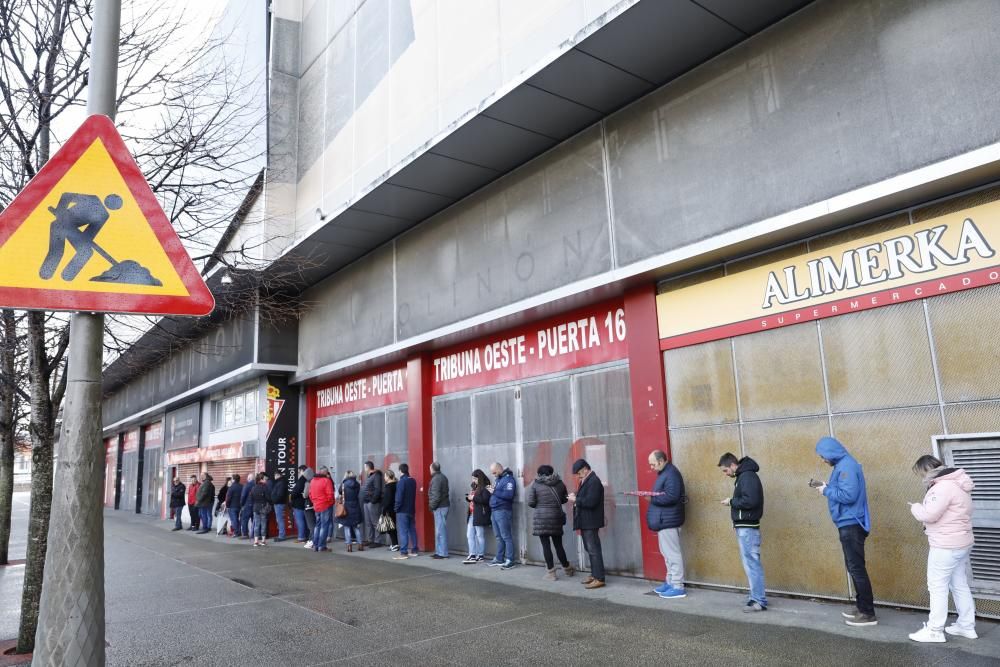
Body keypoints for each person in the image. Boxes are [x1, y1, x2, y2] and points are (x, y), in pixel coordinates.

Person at [907, 455, 977, 643]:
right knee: (959, 584)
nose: (921, 478)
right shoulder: (958, 483)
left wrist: (915, 507)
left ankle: (935, 631)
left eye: (920, 474)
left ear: (926, 469)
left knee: (937, 587)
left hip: (946, 545)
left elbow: (930, 515)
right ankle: (966, 626)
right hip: (962, 542)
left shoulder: (943, 486)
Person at [815, 437, 876, 627]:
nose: (823, 460)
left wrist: (826, 490)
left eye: (824, 456)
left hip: (850, 523)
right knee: (854, 567)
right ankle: (862, 607)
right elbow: (845, 491)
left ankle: (867, 613)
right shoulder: (844, 465)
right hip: (848, 522)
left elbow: (849, 496)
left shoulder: (846, 466)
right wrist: (829, 487)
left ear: (831, 452)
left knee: (856, 568)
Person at [719, 452, 766, 611]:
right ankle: (755, 597)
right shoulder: (744, 476)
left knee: (752, 563)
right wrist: (736, 522)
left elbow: (750, 501)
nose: (726, 474)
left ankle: (758, 600)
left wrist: (731, 502)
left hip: (748, 528)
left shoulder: (747, 477)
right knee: (751, 563)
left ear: (733, 465)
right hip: (745, 526)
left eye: (726, 470)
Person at [645, 450, 686, 599]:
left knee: (672, 554)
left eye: (653, 464)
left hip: (669, 520)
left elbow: (672, 497)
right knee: (667, 554)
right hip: (665, 520)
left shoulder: (671, 474)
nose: (651, 468)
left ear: (661, 461)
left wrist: (652, 499)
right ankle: (670, 581)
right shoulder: (666, 473)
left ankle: (677, 585)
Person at [526, 464, 574, 580]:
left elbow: (531, 502)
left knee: (546, 546)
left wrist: (541, 504)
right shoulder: (560, 483)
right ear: (551, 472)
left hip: (541, 519)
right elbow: (563, 499)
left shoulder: (535, 484)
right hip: (555, 517)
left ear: (539, 474)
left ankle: (551, 573)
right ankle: (567, 568)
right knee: (558, 545)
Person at [569, 459, 606, 590]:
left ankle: (599, 578)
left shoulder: (594, 481)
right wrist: (576, 495)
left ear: (585, 469)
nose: (578, 476)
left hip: (591, 521)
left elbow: (591, 502)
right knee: (590, 549)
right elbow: (585, 497)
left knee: (593, 550)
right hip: (586, 521)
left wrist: (576, 500)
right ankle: (594, 574)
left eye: (579, 473)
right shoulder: (586, 480)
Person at [487, 462, 517, 570]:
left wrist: (494, 491)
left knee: (506, 536)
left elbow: (509, 495)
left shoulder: (509, 479)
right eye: (492, 473)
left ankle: (510, 560)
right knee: (498, 537)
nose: (493, 474)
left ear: (500, 469)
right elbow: (497, 493)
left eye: (494, 472)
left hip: (503, 510)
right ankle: (499, 558)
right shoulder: (498, 479)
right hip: (494, 510)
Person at [463, 469, 491, 564]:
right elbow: (475, 499)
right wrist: (469, 498)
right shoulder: (474, 487)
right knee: (469, 535)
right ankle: (472, 554)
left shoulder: (485, 487)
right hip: (472, 514)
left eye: (475, 478)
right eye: (473, 478)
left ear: (480, 478)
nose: (474, 480)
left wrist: (473, 498)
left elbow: (485, 500)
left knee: (479, 535)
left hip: (479, 514)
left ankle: (480, 555)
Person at [394, 463, 418, 559]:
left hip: (402, 510)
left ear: (400, 471)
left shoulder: (401, 482)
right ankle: (414, 549)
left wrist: (396, 508)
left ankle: (404, 552)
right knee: (412, 529)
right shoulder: (413, 481)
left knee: (403, 531)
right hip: (411, 509)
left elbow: (399, 497)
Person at [428, 462, 450, 559]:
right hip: (442, 506)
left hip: (440, 507)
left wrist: (432, 506)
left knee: (440, 531)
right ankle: (439, 551)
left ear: (432, 469)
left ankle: (443, 553)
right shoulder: (442, 477)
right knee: (440, 530)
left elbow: (436, 496)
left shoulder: (436, 479)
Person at [339, 471, 365, 552]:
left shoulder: (344, 483)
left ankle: (349, 545)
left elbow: (340, 491)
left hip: (346, 506)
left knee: (347, 527)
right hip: (356, 505)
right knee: (356, 526)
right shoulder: (357, 484)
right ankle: (360, 544)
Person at [310, 467, 335, 552]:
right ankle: (321, 546)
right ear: (325, 472)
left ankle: (315, 545)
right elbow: (330, 494)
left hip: (316, 506)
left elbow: (310, 494)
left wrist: (314, 502)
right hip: (324, 505)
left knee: (317, 526)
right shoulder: (326, 481)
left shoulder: (313, 480)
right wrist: (330, 503)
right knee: (324, 527)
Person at [361, 461, 384, 548]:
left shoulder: (376, 475)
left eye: (365, 467)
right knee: (368, 522)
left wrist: (373, 500)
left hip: (372, 502)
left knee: (375, 522)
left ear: (368, 467)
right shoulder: (369, 476)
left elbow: (378, 489)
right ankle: (370, 539)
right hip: (366, 502)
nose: (364, 469)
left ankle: (378, 541)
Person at [250, 473, 271, 547]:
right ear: (261, 479)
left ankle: (255, 541)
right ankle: (263, 541)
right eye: (264, 479)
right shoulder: (265, 487)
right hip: (263, 507)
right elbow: (268, 498)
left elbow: (251, 498)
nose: (266, 480)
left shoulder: (253, 488)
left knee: (256, 524)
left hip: (255, 507)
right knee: (263, 524)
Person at [291, 465, 310, 543]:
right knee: (305, 521)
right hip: (304, 503)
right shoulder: (309, 479)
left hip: (298, 503)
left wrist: (292, 495)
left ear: (302, 471)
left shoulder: (302, 480)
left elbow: (296, 491)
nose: (298, 473)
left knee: (300, 521)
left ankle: (301, 537)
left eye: (299, 472)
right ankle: (306, 536)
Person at [381, 469, 399, 551]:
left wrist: (384, 510)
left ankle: (395, 544)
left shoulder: (389, 486)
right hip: (394, 508)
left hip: (389, 509)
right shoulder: (396, 484)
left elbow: (387, 500)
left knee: (391, 528)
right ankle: (394, 544)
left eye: (385, 476)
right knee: (392, 527)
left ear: (388, 476)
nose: (384, 478)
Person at [270, 469, 288, 542]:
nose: (274, 476)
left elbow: (280, 495)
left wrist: (274, 500)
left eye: (275, 475)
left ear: (278, 475)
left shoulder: (281, 483)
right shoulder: (281, 482)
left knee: (280, 519)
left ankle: (282, 535)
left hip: (279, 503)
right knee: (280, 519)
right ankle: (281, 535)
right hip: (279, 503)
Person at [225, 474, 244, 539]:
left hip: (232, 506)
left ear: (233, 480)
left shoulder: (231, 487)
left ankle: (236, 532)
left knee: (234, 520)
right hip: (240, 506)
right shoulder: (242, 486)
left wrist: (227, 505)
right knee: (237, 519)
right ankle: (239, 531)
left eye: (232, 479)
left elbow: (228, 498)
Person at [302, 467, 316, 548]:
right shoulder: (316, 481)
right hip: (315, 504)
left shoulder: (308, 483)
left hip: (308, 505)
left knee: (311, 524)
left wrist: (303, 494)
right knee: (315, 523)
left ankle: (312, 540)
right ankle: (313, 539)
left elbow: (305, 495)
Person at [239, 474, 254, 539]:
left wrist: (242, 504)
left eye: (248, 478)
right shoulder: (256, 484)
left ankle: (245, 534)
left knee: (244, 520)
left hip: (247, 505)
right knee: (254, 520)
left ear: (249, 478)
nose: (247, 479)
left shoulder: (247, 485)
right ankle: (254, 534)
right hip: (255, 505)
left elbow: (243, 496)